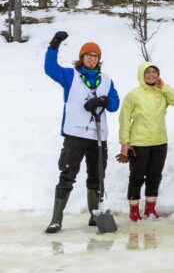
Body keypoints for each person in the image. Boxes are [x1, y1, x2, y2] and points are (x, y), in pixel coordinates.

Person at [43, 32, 121, 233]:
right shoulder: (71, 76)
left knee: (96, 177)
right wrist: (54, 45)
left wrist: (103, 100)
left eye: (95, 56)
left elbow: (115, 104)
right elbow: (50, 69)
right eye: (88, 55)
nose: (92, 59)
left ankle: (95, 215)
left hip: (97, 136)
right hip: (75, 135)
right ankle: (56, 219)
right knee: (67, 174)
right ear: (82, 57)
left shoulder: (106, 80)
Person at [118, 61, 174, 222]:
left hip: (160, 142)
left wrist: (164, 86)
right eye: (147, 72)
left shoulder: (162, 93)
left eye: (154, 72)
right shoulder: (133, 95)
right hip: (139, 143)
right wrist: (124, 143)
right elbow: (124, 119)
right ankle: (134, 210)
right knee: (136, 177)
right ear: (141, 75)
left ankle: (150, 209)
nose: (151, 75)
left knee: (155, 176)